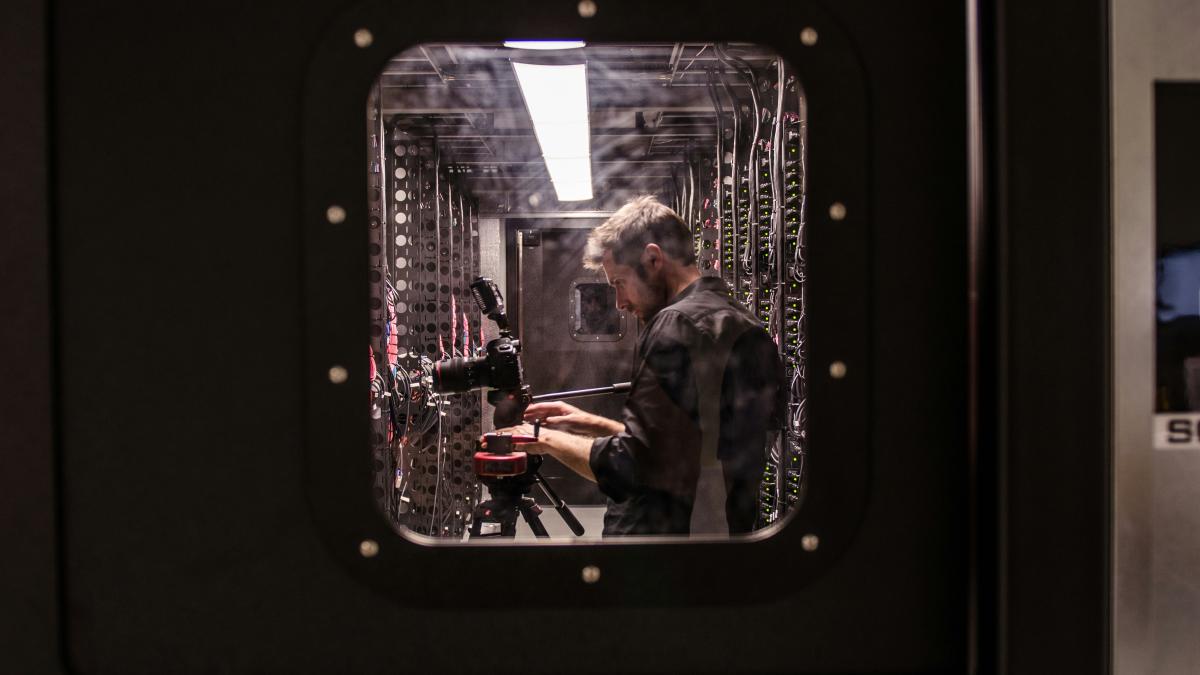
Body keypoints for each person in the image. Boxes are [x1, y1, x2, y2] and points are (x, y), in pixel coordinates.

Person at [501, 196, 784, 536]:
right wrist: (589, 423)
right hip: (717, 548)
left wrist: (542, 439)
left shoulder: (676, 325)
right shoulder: (743, 324)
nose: (619, 303)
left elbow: (633, 466)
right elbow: (685, 450)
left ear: (653, 258)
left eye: (619, 283)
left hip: (664, 553)